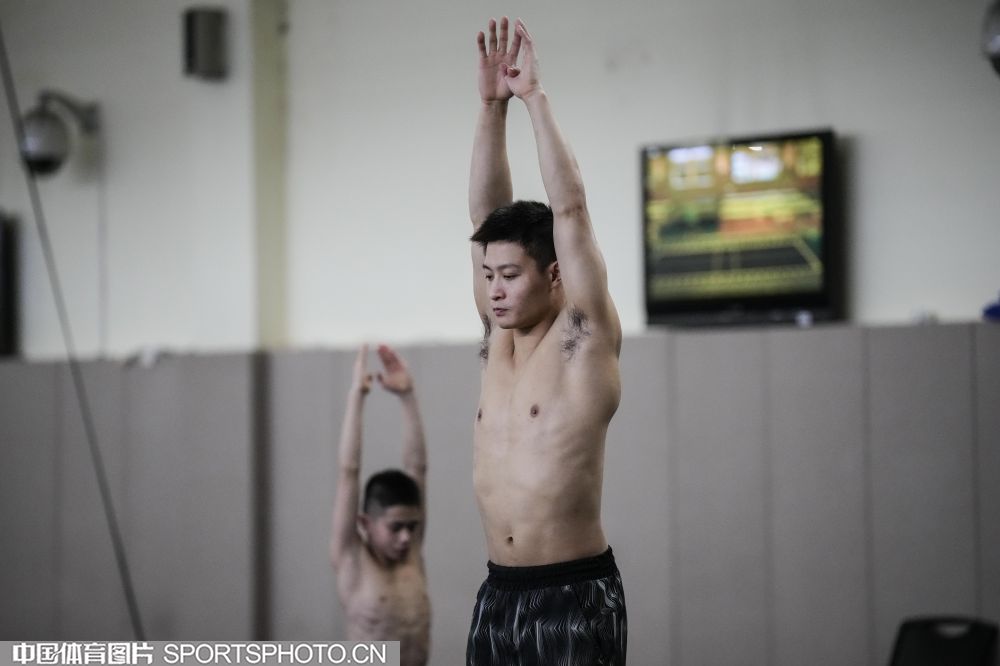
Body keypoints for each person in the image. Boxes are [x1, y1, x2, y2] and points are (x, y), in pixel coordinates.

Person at [465, 16, 627, 666]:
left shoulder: (582, 336)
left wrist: (532, 99)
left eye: (510, 276)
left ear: (554, 273)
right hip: (498, 593)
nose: (494, 290)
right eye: (488, 276)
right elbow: (483, 217)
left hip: (572, 593)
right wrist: (489, 109)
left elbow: (571, 211)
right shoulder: (498, 337)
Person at [330, 344, 430, 666]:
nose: (407, 537)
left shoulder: (410, 552)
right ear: (365, 523)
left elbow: (417, 467)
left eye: (412, 527)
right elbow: (348, 472)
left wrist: (408, 396)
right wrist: (357, 397)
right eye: (395, 528)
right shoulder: (352, 559)